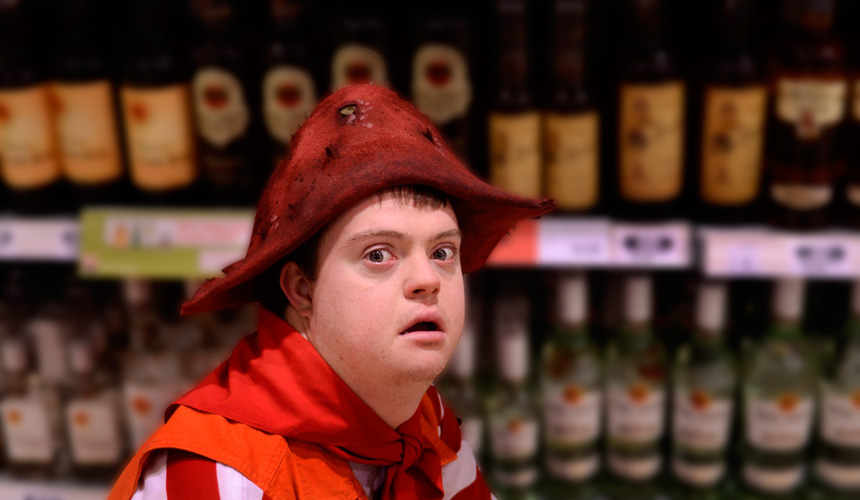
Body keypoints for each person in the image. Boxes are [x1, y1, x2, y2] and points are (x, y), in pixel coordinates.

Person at [108, 84, 553, 500]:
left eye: (443, 251)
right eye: (379, 254)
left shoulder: (421, 416)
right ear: (302, 290)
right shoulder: (217, 479)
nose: (428, 279)